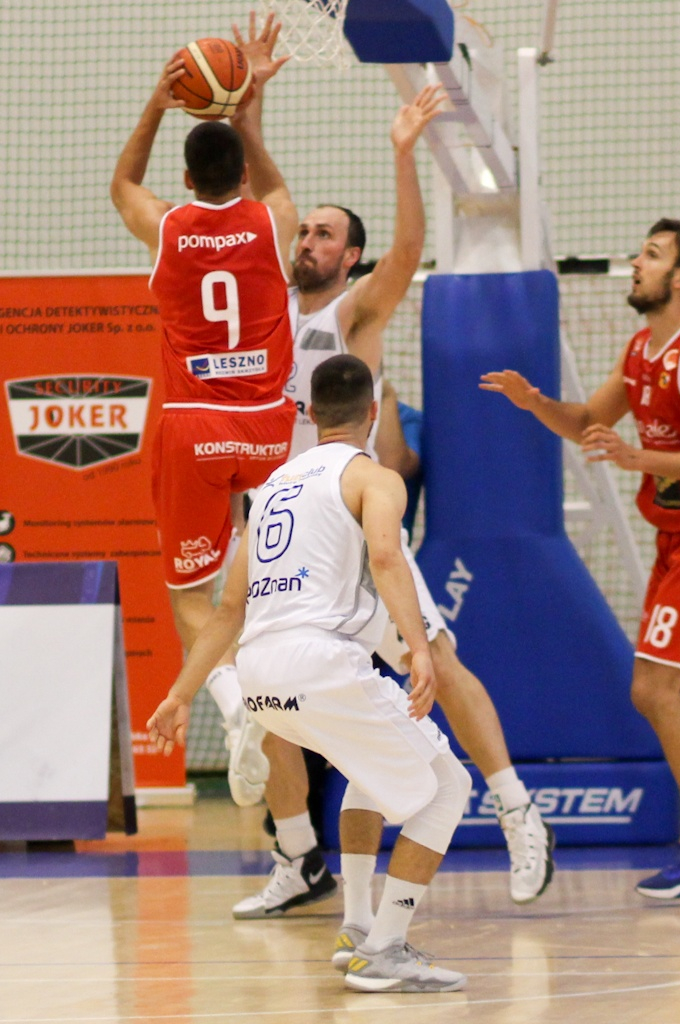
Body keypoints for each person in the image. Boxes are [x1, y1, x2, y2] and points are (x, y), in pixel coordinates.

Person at [229, 84, 554, 920]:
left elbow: (409, 249)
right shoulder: (267, 307)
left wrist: (404, 154)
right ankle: (299, 858)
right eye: (305, 230)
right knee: (272, 706)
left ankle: (516, 805)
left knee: (434, 663)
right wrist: (247, 119)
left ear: (349, 257)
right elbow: (268, 202)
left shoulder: (355, 309)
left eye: (325, 233)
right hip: (287, 525)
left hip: (356, 514)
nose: (307, 239)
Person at [482, 219, 680, 899]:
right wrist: (534, 401)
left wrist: (638, 457)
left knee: (652, 692)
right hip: (678, 537)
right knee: (671, 693)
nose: (635, 262)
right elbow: (586, 422)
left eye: (651, 255)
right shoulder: (639, 348)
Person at [149, 355, 469, 993]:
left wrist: (180, 693)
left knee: (368, 771)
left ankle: (354, 927)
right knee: (447, 789)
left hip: (260, 676)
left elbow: (228, 612)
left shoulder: (268, 490)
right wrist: (420, 647)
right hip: (319, 660)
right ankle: (386, 950)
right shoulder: (374, 477)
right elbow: (385, 555)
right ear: (374, 412)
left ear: (311, 413)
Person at [110, 15, 294, 808]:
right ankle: (283, 704)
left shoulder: (168, 228)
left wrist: (158, 104)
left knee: (192, 591)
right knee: (268, 588)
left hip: (192, 423)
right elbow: (273, 183)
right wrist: (247, 105)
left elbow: (121, 185)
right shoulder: (273, 222)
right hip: (269, 428)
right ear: (241, 179)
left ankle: (229, 704)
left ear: (186, 182)